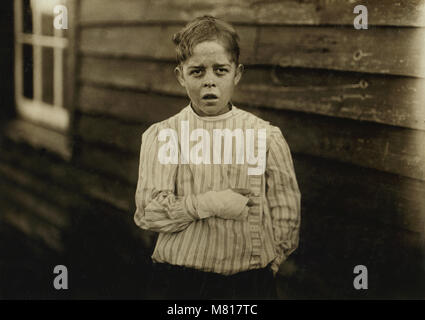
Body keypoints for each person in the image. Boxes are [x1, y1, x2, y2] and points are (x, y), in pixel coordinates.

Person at [134, 15, 301, 300]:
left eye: (220, 70)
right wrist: (209, 203)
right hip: (179, 282)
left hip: (248, 284)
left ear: (237, 74)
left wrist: (266, 268)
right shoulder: (164, 135)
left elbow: (286, 213)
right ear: (180, 76)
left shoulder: (266, 136)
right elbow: (149, 214)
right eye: (197, 72)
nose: (209, 81)